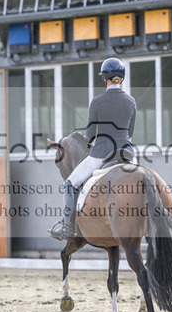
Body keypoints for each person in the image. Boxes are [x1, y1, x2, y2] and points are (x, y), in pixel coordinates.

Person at [49, 57, 137, 241]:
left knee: (70, 183)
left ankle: (67, 227)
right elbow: (130, 132)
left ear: (104, 78)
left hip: (102, 154)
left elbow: (89, 136)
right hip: (128, 154)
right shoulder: (131, 101)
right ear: (122, 78)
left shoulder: (97, 101)